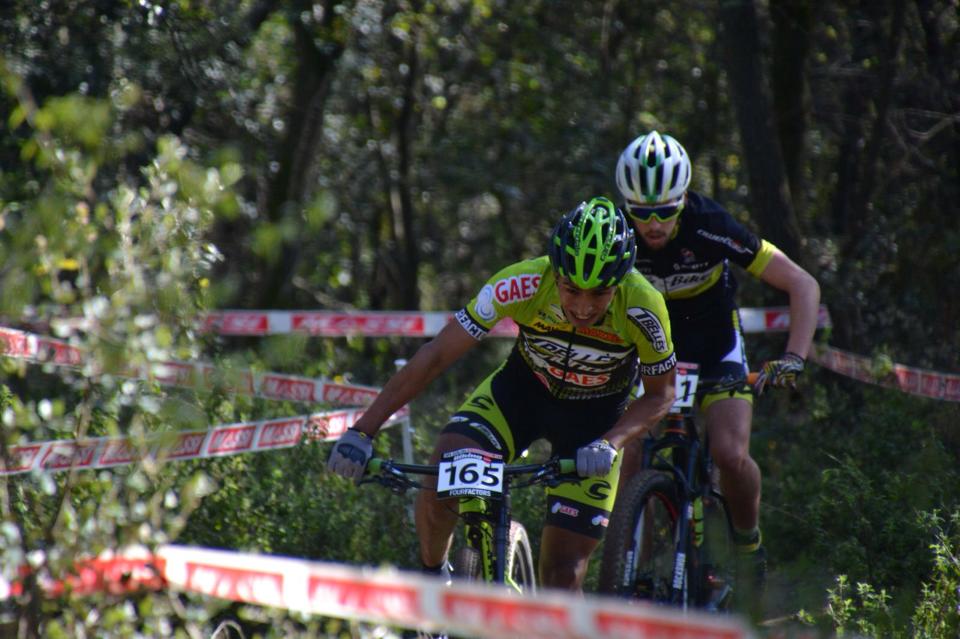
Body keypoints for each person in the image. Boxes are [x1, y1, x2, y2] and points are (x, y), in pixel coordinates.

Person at [328, 196, 677, 594]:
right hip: (521, 394)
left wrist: (611, 444)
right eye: (570, 289)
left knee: (562, 576)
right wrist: (363, 431)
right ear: (554, 274)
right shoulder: (522, 282)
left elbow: (661, 394)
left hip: (595, 422)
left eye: (598, 294)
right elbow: (437, 354)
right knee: (444, 470)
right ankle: (433, 590)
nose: (582, 306)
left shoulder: (643, 306)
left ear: (619, 284)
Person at [614, 130, 821, 589]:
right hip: (650, 350)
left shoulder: (711, 224)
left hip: (713, 347)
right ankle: (632, 566)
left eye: (665, 210)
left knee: (729, 453)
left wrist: (793, 357)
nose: (652, 224)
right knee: (627, 457)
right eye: (641, 211)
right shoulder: (616, 233)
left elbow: (802, 284)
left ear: (683, 198)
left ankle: (748, 544)